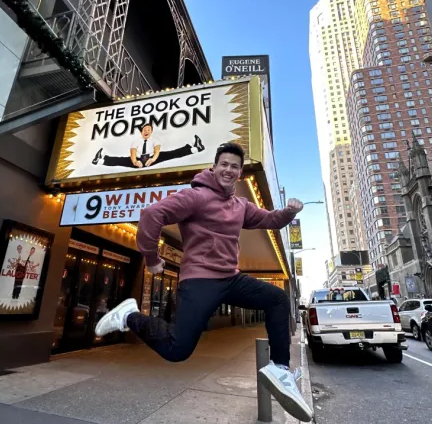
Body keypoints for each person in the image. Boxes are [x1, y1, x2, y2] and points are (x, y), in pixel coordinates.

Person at [95, 142, 313, 421]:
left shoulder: (240, 205)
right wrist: (150, 258)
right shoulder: (195, 196)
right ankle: (130, 316)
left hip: (230, 278)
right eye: (224, 164)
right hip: (200, 279)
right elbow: (152, 214)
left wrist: (289, 212)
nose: (229, 170)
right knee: (177, 350)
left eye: (234, 166)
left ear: (239, 173)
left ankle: (280, 370)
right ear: (214, 166)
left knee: (276, 298)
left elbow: (268, 220)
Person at [92, 123, 205, 168]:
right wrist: (135, 161)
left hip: (151, 157)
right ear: (142, 131)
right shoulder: (136, 141)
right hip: (138, 159)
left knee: (171, 154)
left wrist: (152, 159)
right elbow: (133, 153)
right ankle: (100, 160)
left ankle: (195, 148)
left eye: (149, 130)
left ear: (151, 132)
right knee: (120, 161)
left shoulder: (155, 140)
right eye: (144, 129)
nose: (146, 131)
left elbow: (157, 151)